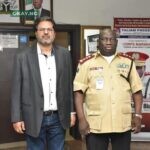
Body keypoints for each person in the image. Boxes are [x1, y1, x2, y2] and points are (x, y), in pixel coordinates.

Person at [11, 16, 76, 150]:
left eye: (49, 29)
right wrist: (16, 118)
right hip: (33, 117)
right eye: (42, 29)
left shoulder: (64, 55)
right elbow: (16, 90)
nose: (46, 32)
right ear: (36, 33)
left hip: (58, 118)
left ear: (54, 33)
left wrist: (71, 112)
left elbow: (68, 86)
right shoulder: (22, 57)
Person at [73, 28, 143, 150]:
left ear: (116, 41)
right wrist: (81, 119)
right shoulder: (86, 64)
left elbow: (137, 91)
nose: (108, 42)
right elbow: (78, 93)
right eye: (105, 39)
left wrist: (138, 115)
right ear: (98, 42)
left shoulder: (128, 62)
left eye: (111, 39)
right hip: (95, 125)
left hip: (122, 123)